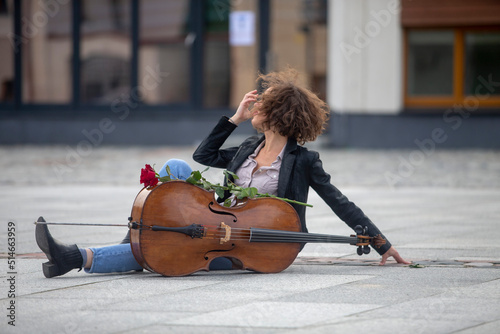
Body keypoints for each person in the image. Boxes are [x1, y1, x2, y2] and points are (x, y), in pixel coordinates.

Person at [36, 68, 409, 278]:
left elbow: (340, 203)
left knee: (165, 252)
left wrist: (380, 241)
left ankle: (74, 257)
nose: (253, 107)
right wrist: (233, 119)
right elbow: (204, 155)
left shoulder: (303, 160)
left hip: (255, 241)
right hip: (219, 223)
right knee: (176, 168)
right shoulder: (248, 148)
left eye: (260, 105)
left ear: (278, 114)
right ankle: (132, 244)